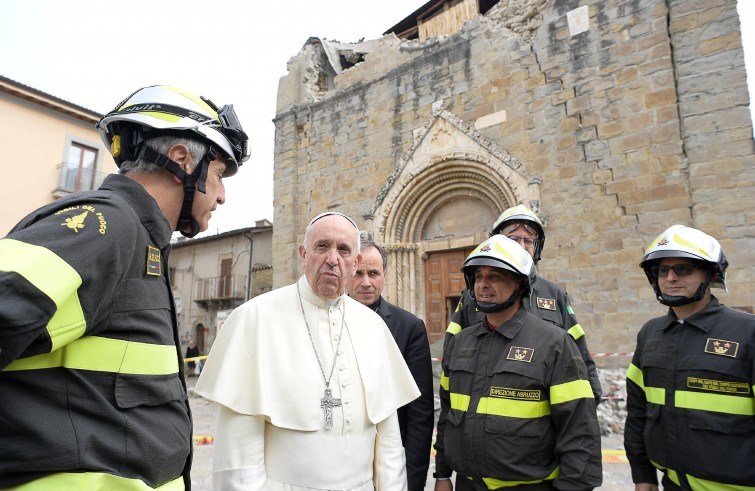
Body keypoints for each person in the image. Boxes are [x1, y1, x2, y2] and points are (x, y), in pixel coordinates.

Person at [0, 85, 250, 490]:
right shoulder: (108, 226)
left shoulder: (143, 244)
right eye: (220, 174)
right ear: (182, 160)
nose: (221, 196)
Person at [195, 212, 420, 490]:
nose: (332, 259)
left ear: (355, 263)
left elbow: (389, 444)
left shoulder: (373, 327)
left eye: (344, 250)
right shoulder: (255, 318)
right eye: (322, 246)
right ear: (303, 254)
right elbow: (238, 455)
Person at [434, 235, 602, 490]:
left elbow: (579, 430)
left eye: (495, 276)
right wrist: (443, 474)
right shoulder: (460, 343)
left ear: (521, 284)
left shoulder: (554, 344)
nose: (483, 284)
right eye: (478, 277)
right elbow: (448, 414)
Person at [625, 224, 755, 491]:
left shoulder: (747, 332)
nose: (670, 277)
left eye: (683, 269)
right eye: (662, 270)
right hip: (672, 484)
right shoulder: (651, 333)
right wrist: (643, 475)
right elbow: (638, 413)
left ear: (711, 274)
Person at [445, 204, 602, 404]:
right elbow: (453, 351)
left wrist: (592, 397)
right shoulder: (473, 296)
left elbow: (578, 349)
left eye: (528, 240)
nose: (522, 245)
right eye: (513, 239)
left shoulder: (555, 295)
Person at [347, 239, 434, 491]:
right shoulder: (322, 322)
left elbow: (419, 414)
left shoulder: (410, 328)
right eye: (358, 273)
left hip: (390, 467)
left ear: (385, 276)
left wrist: (413, 481)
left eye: (373, 273)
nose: (366, 282)